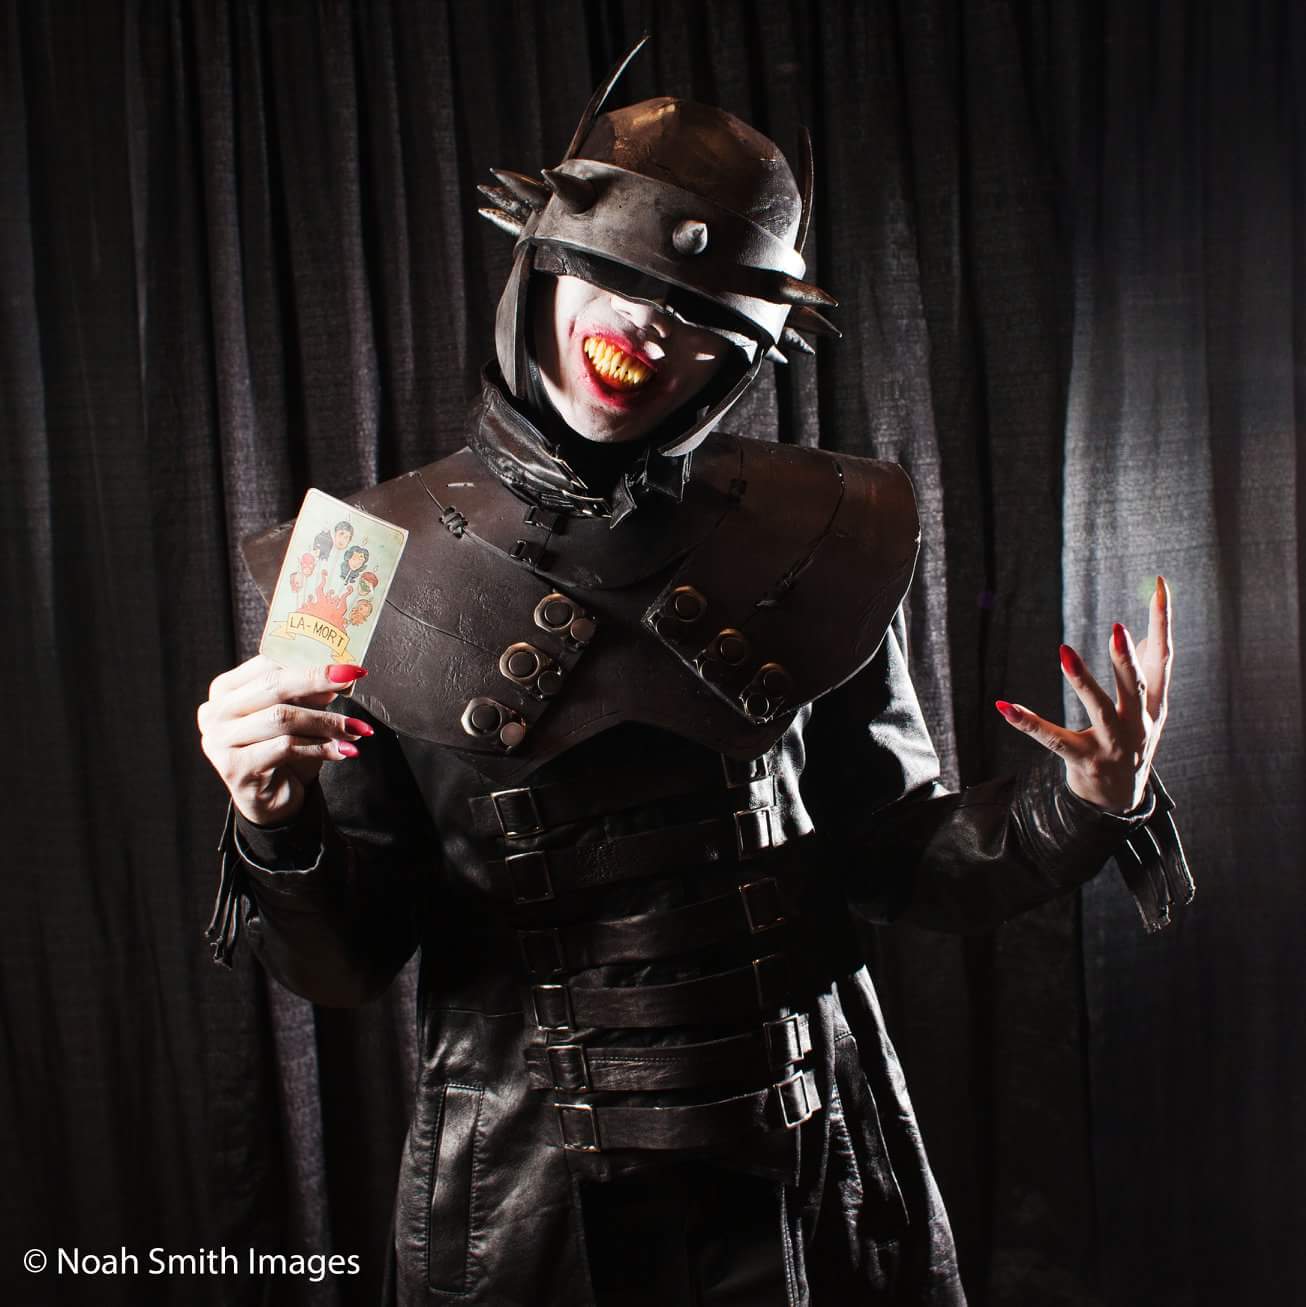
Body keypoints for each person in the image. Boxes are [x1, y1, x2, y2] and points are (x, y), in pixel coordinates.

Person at [195, 38, 1191, 1307]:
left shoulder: (827, 532)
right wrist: (273, 824)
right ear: (542, 264)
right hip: (527, 1212)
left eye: (699, 315)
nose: (645, 330)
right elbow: (343, 966)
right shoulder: (343, 562)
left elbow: (889, 855)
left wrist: (1081, 805)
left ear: (742, 355)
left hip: (812, 1181)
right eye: (616, 277)